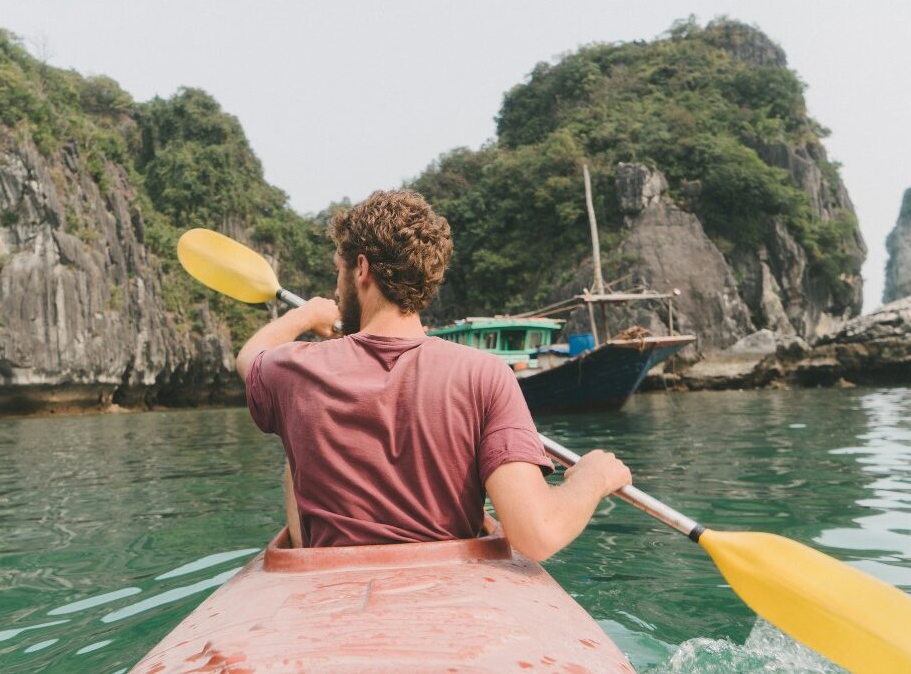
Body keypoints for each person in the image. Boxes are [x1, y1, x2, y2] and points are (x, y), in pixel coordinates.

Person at [236, 190, 631, 561]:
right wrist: (591, 479)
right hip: (445, 604)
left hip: (331, 597)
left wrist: (304, 315)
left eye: (338, 272)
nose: (337, 291)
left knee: (294, 457)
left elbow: (250, 356)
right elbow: (538, 534)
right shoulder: (484, 375)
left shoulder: (295, 370)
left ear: (362, 269)